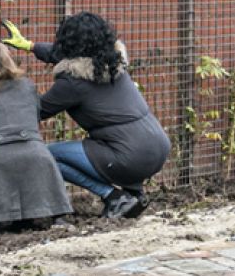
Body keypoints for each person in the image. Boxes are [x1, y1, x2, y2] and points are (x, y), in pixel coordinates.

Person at [31, 12, 172, 219]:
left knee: (45, 156)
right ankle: (133, 193)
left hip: (129, 155)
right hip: (158, 146)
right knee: (104, 145)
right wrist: (31, 46)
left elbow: (36, 111)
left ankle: (114, 196)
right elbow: (59, 56)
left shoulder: (72, 83)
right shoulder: (113, 63)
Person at [0, 41, 73, 232]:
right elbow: (33, 120)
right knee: (28, 153)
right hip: (36, 155)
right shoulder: (27, 87)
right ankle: (45, 216)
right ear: (10, 61)